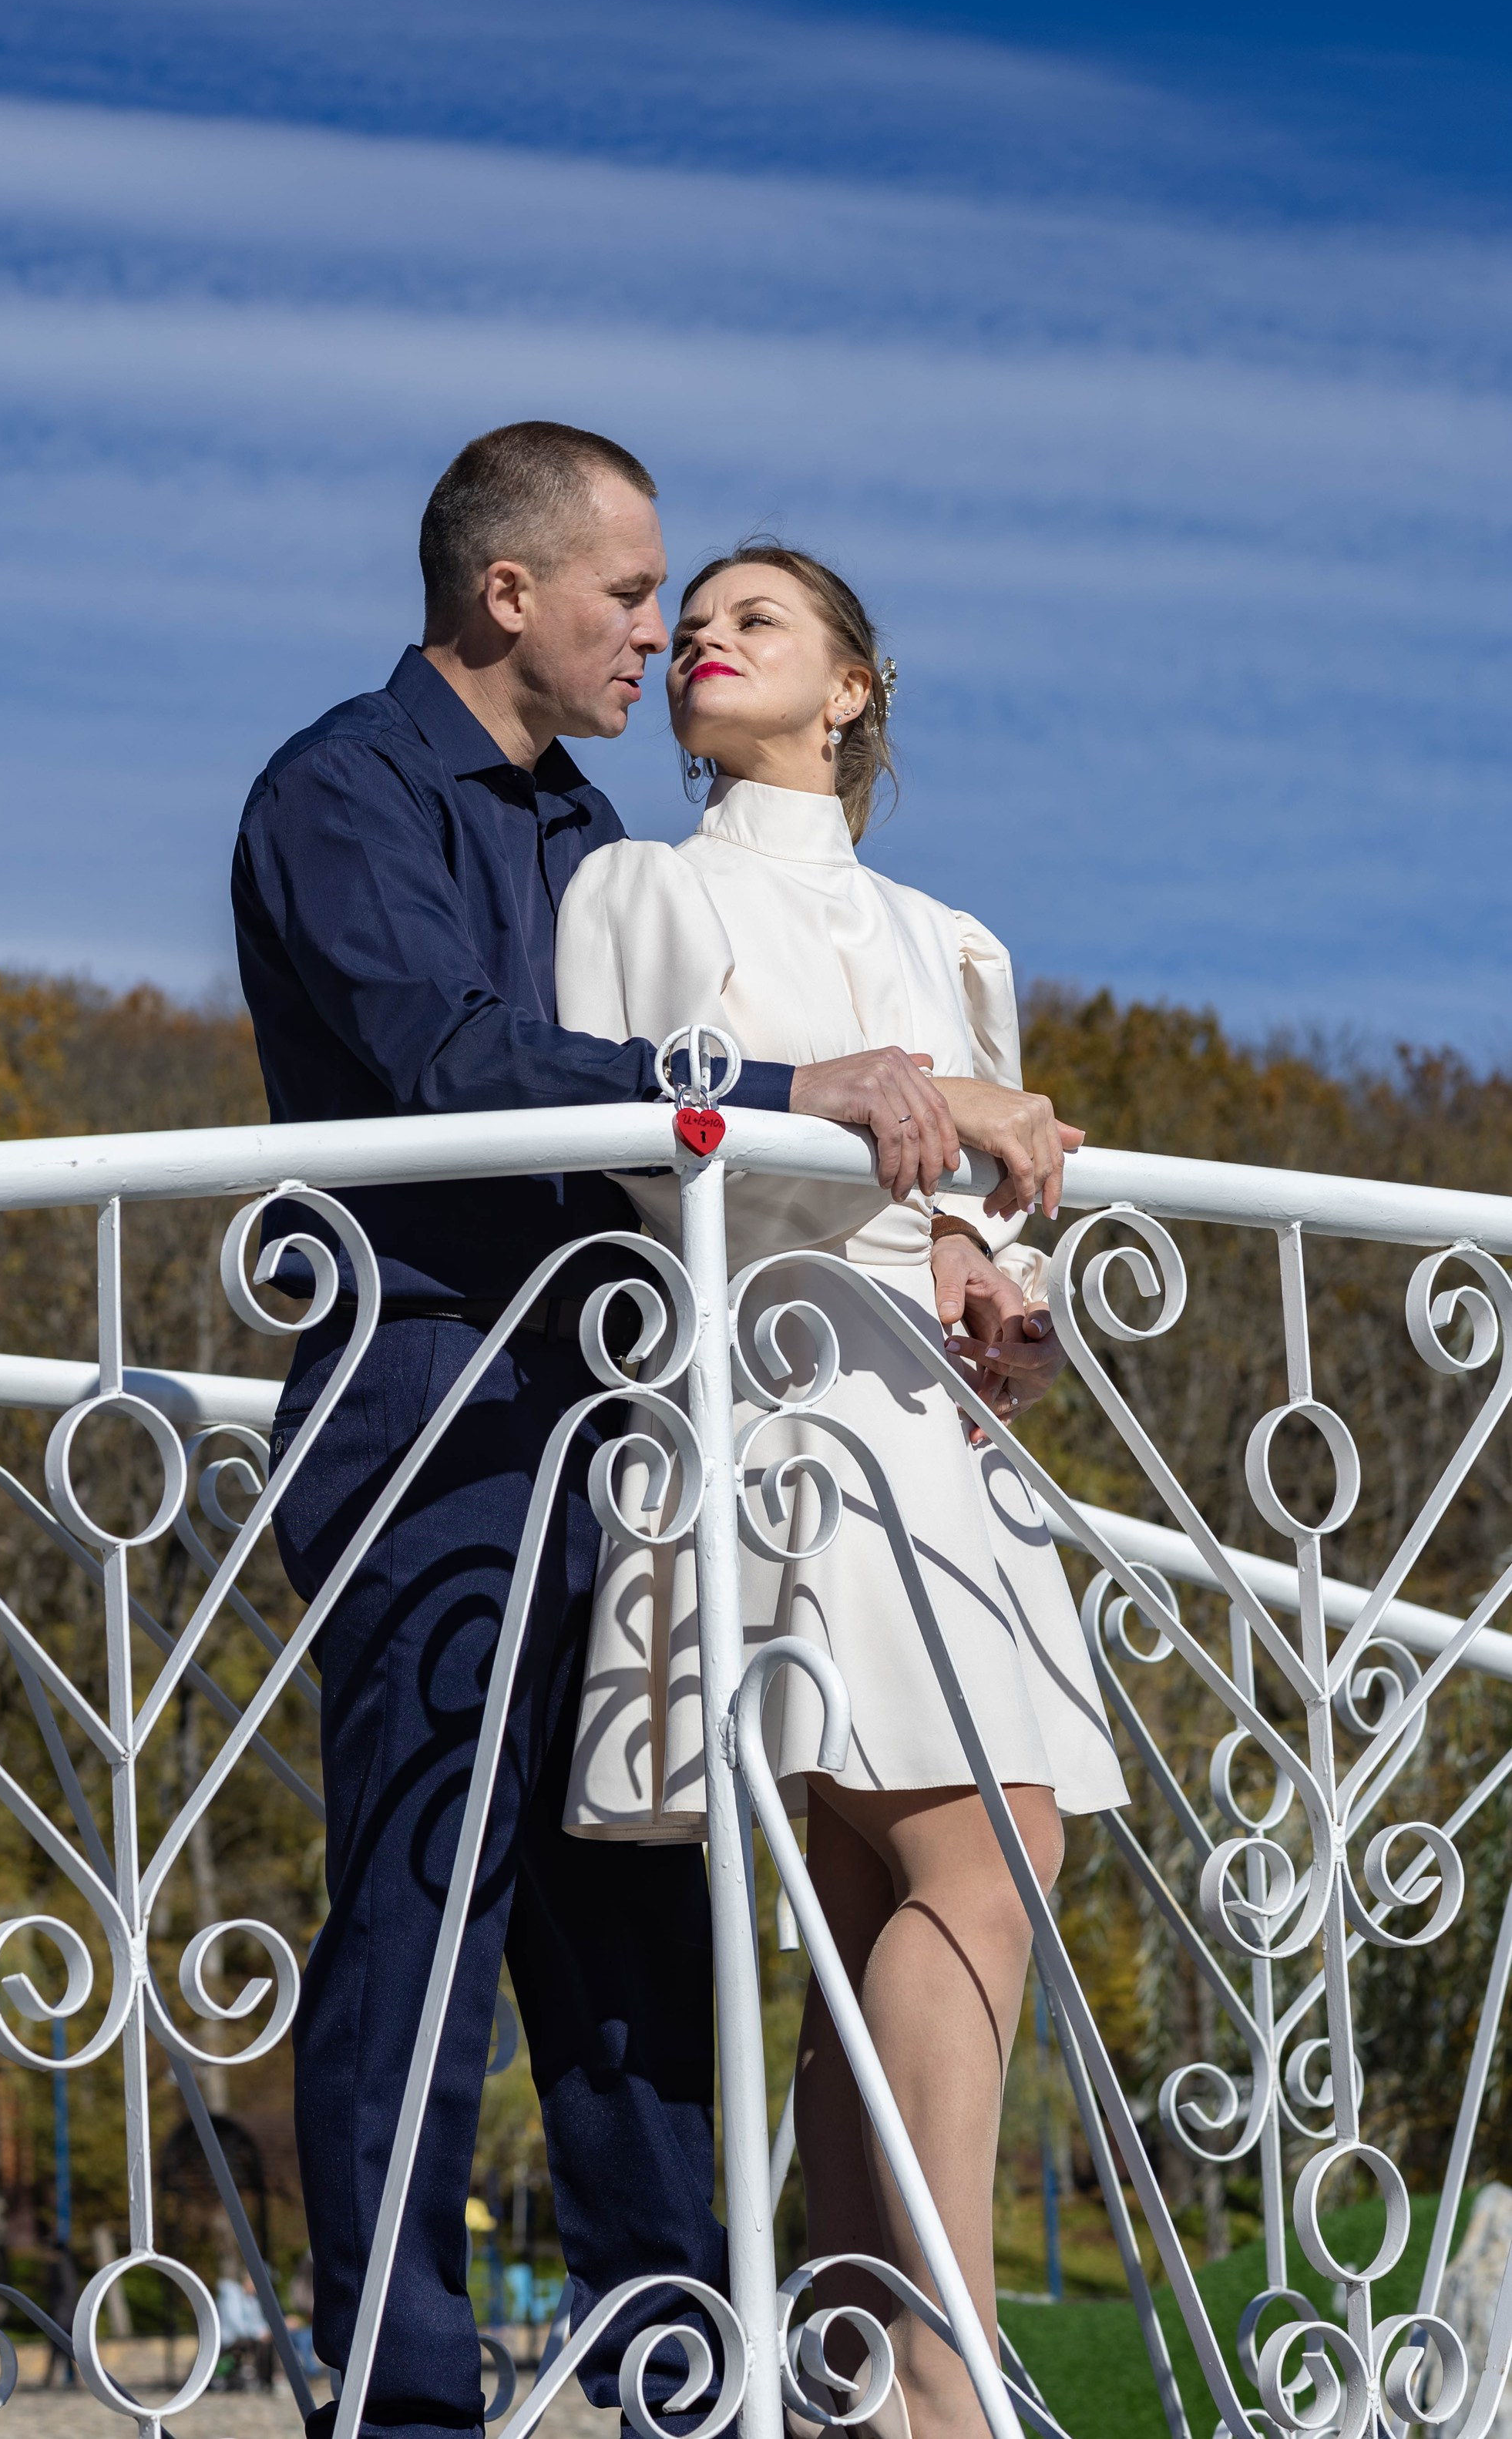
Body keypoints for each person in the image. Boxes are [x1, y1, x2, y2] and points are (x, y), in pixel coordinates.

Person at [230, 427, 1051, 2439]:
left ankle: (680, 2373)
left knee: (639, 1935)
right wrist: (788, 1088)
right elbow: (454, 1061)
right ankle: (407, 2400)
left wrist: (944, 1230)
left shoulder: (586, 829)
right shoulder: (338, 793)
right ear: (507, 592)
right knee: (429, 1900)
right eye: (629, 594)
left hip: (629, 1416)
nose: (655, 630)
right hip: (437, 1404)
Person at [554, 543, 1127, 2439]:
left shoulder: (956, 942)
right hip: (776, 1402)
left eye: (758, 620)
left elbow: (984, 1221)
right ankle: (939, 2390)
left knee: (886, 1894)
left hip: (934, 1435)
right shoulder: (639, 888)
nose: (704, 642)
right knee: (992, 1853)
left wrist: (1001, 1298)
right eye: (694, 624)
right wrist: (912, 1129)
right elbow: (641, 1156)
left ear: (852, 688)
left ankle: (851, 2385)